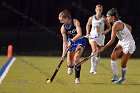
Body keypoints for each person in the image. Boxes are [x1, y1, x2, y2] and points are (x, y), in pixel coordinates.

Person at [100, 8, 136, 84]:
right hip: (122, 42)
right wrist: (125, 36)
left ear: (112, 17)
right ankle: (115, 75)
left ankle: (123, 78)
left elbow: (112, 40)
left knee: (123, 64)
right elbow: (129, 27)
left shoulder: (115, 25)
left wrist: (103, 48)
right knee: (113, 56)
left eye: (108, 16)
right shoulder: (118, 23)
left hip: (129, 44)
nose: (107, 18)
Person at [58, 10, 86, 84]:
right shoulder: (63, 28)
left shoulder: (75, 22)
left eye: (62, 20)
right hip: (71, 43)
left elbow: (79, 34)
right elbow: (64, 41)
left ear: (67, 18)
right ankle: (70, 67)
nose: (61, 22)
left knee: (76, 58)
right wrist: (63, 54)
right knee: (70, 64)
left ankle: (77, 78)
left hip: (80, 41)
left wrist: (72, 40)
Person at [86, 4, 111, 74]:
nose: (99, 11)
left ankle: (95, 67)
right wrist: (87, 33)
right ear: (95, 10)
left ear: (102, 10)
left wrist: (105, 31)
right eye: (97, 10)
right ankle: (92, 68)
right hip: (92, 37)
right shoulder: (91, 18)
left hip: (100, 37)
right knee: (94, 50)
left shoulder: (104, 19)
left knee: (98, 52)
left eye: (100, 10)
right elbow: (88, 25)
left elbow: (109, 27)